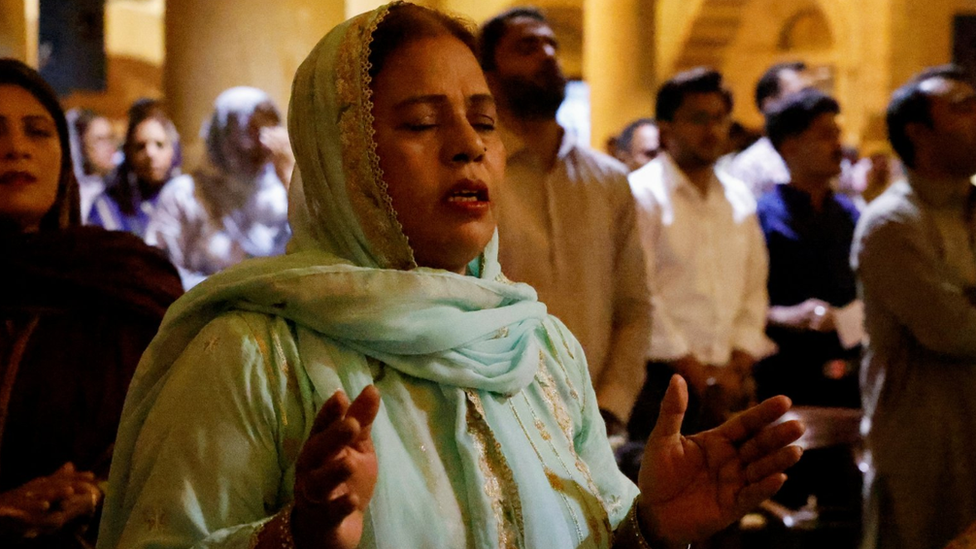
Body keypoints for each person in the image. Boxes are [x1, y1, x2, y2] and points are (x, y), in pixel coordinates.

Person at [96, 5, 803, 549]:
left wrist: (649, 525)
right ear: (346, 160)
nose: (467, 146)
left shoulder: (539, 348)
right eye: (420, 122)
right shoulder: (251, 351)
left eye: (483, 120)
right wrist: (296, 536)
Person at [0, 58, 183, 548]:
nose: (15, 149)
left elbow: (181, 444)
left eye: (38, 131)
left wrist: (99, 496)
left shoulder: (126, 283)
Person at [478, 7, 651, 431]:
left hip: (591, 418)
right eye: (527, 46)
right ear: (488, 74)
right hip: (496, 412)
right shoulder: (474, 170)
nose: (548, 54)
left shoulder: (608, 179)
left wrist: (611, 406)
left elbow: (633, 306)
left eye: (551, 44)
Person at [852, 65, 976, 549]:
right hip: (924, 443)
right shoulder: (892, 223)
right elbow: (952, 331)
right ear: (919, 133)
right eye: (963, 107)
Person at [627, 68, 774, 443]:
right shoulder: (642, 194)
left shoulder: (738, 197)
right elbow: (641, 292)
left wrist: (738, 362)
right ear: (665, 129)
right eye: (697, 119)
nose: (711, 131)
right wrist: (696, 371)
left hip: (728, 379)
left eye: (719, 119)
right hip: (660, 377)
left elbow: (753, 288)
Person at [755, 88, 861, 409]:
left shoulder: (851, 214)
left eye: (838, 134)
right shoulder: (761, 215)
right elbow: (737, 301)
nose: (838, 146)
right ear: (790, 146)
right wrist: (787, 316)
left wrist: (847, 317)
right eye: (826, 136)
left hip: (849, 371)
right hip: (785, 373)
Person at [145, 87, 292, 289]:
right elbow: (158, 273)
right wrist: (228, 292)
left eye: (268, 128)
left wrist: (290, 179)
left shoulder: (280, 196)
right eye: (250, 130)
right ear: (225, 133)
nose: (262, 144)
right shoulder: (186, 195)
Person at [88, 99, 184, 239]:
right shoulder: (108, 205)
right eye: (140, 146)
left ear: (173, 149)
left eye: (159, 144)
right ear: (129, 152)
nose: (150, 155)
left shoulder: (186, 199)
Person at [724, 62, 811, 198]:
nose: (807, 105)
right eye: (795, 96)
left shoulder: (816, 155)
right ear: (769, 105)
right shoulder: (750, 165)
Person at [65, 109, 117, 222]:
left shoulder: (120, 191)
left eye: (110, 138)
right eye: (100, 140)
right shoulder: (75, 201)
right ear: (81, 147)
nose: (110, 147)